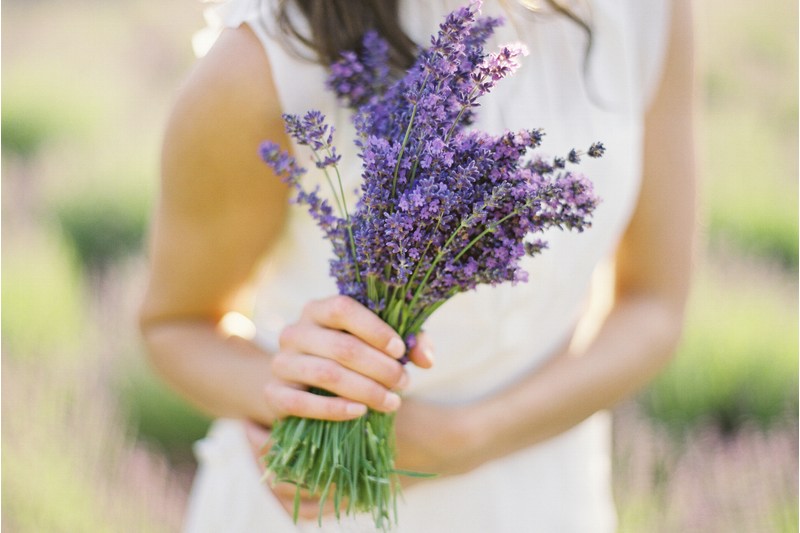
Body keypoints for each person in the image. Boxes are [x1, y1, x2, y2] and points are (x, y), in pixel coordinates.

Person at [139, 0, 695, 531]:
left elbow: (655, 307)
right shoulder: (265, 56)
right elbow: (173, 325)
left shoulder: (643, 12)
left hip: (548, 492)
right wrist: (302, 385)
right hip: (325, 501)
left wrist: (467, 438)